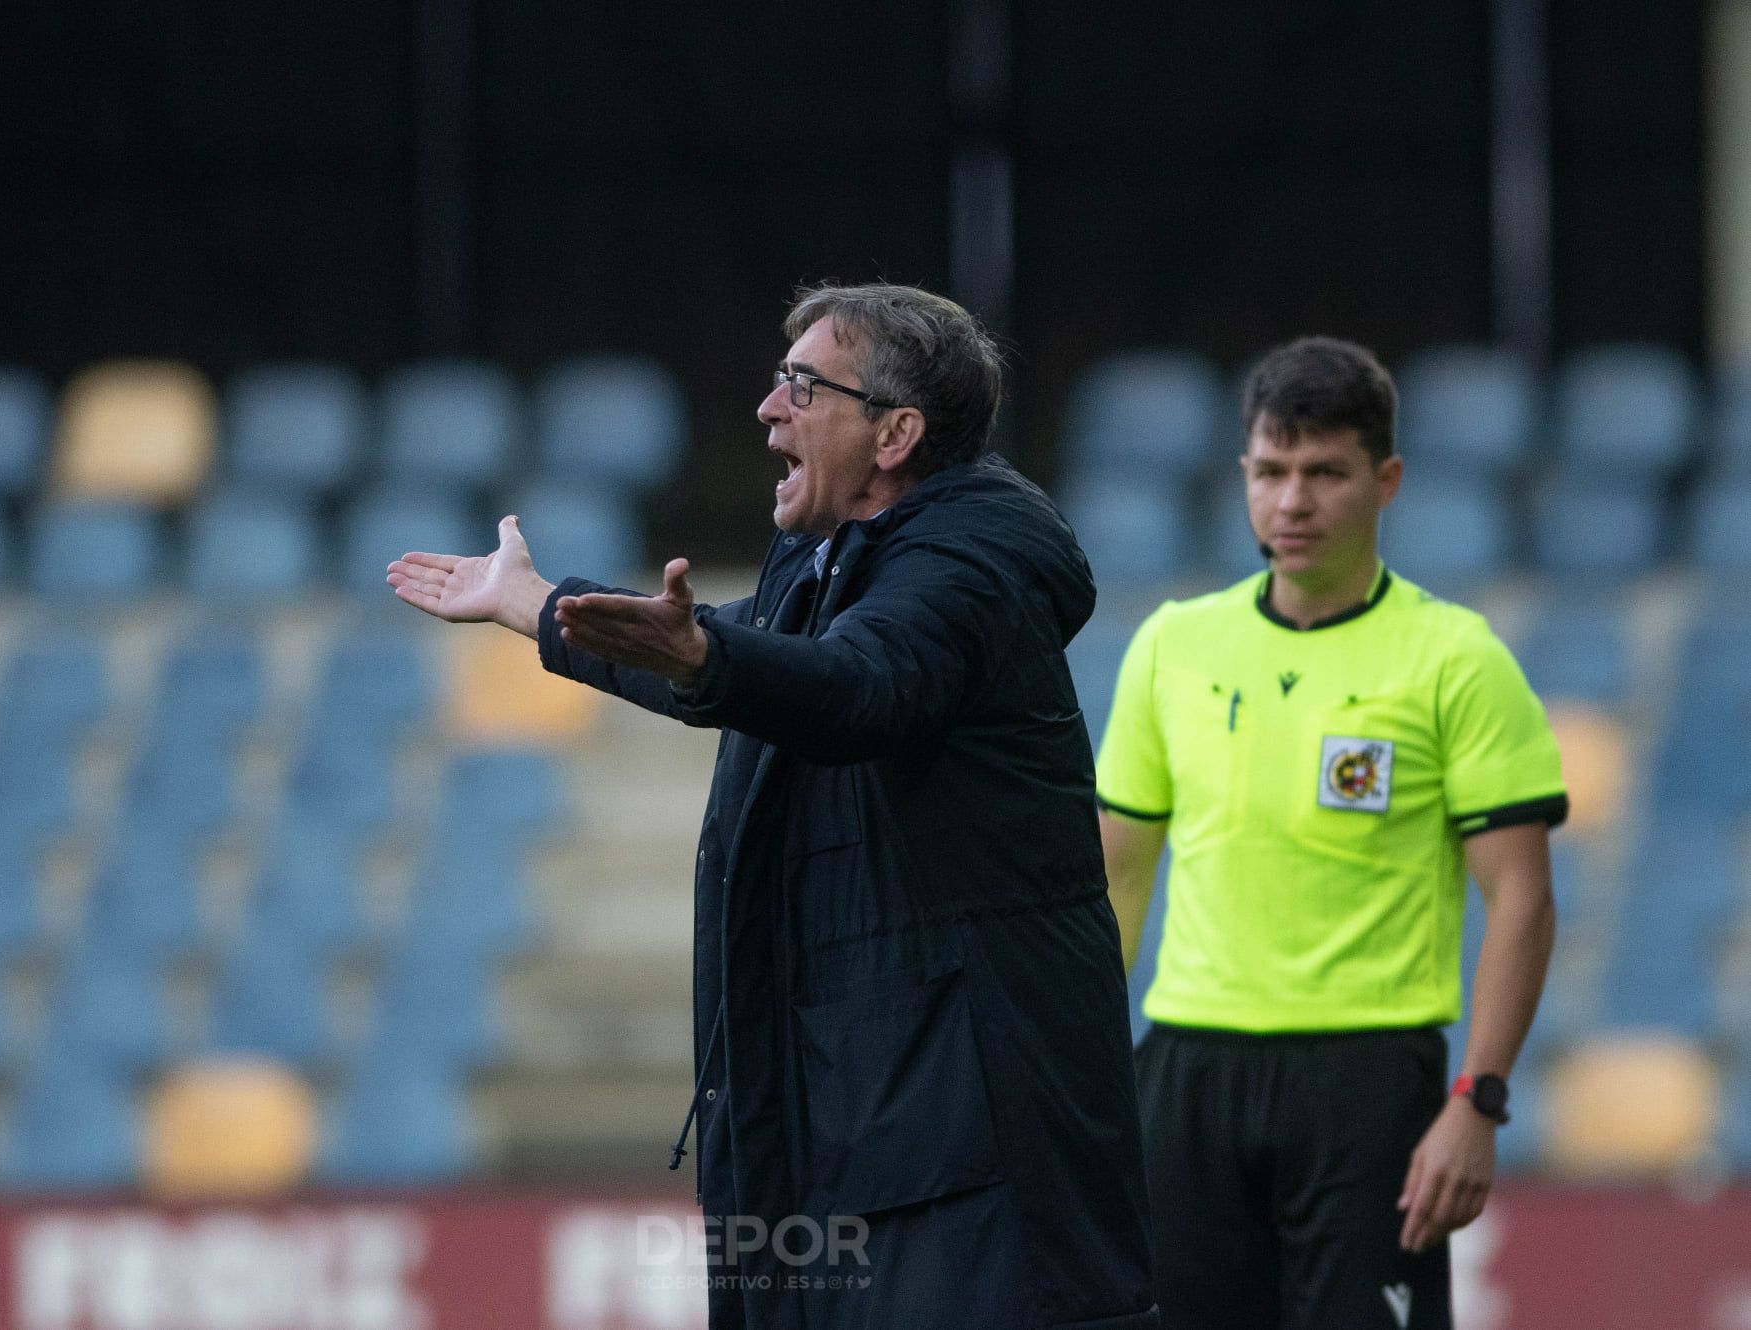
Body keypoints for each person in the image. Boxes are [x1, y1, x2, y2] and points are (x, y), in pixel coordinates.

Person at [388, 283, 1157, 1330]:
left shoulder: (971, 566)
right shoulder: (830, 554)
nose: (764, 407)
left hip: (969, 1139)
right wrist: (532, 607)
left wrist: (708, 655)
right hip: (852, 1117)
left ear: (895, 433)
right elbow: (735, 661)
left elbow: (852, 687)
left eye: (801, 384)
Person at [1094, 336, 1567, 1330]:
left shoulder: (1454, 658)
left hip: (1368, 1081)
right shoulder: (1172, 645)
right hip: (1185, 1074)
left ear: (1384, 480)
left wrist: (1475, 1102)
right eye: (1269, 471)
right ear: (1241, 477)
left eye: (1323, 472)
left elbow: (1518, 896)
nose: (1291, 502)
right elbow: (1117, 876)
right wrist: (1081, 1078)